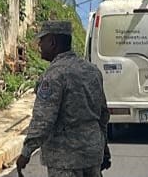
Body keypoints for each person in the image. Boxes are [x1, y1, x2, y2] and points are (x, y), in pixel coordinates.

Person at [16, 20, 111, 177]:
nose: (39, 44)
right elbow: (103, 114)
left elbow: (43, 120)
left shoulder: (54, 75)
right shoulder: (92, 71)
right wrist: (104, 145)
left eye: (42, 40)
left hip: (65, 160)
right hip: (92, 155)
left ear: (52, 42)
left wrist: (26, 152)